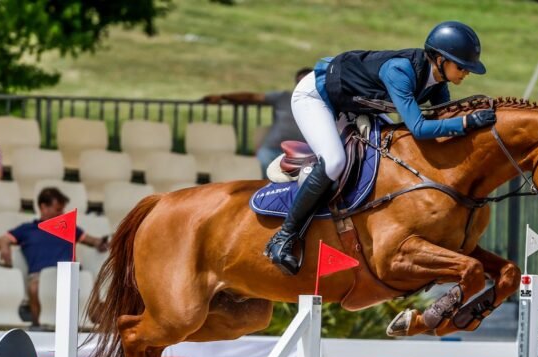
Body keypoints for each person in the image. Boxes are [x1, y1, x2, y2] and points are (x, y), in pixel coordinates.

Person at [264, 21, 495, 275]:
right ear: (440, 60)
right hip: (317, 95)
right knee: (334, 161)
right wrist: (466, 122)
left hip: (354, 104)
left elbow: (441, 120)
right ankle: (283, 237)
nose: (466, 73)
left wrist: (474, 125)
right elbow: (418, 127)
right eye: (462, 66)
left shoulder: (438, 83)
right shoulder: (400, 71)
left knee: (391, 148)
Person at [0, 187, 109, 327]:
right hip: (40, 277)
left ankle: (99, 327)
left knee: (89, 281)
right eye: (58, 209)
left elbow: (94, 241)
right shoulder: (27, 229)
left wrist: (102, 242)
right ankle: (39, 326)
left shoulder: (67, 227)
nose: (62, 213)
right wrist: (4, 244)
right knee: (34, 287)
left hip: (71, 275)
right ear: (43, 207)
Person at [205, 68, 313, 176]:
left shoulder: (323, 102)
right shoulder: (284, 96)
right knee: (265, 172)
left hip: (304, 153)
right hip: (273, 149)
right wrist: (223, 96)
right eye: (301, 82)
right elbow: (252, 97)